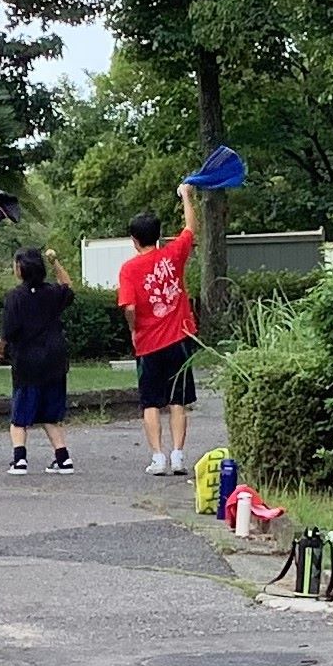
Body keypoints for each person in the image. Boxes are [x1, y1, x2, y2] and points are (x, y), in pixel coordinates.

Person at [118, 183, 200, 476]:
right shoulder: (174, 254)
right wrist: (186, 196)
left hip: (148, 344)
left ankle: (158, 457)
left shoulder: (129, 269)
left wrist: (133, 330)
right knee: (178, 399)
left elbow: (128, 307)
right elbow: (190, 227)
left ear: (134, 239)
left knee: (151, 402)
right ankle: (178, 456)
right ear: (158, 235)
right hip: (179, 338)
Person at [0, 234, 76, 474]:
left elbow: (8, 330)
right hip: (54, 358)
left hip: (27, 361)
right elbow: (67, 287)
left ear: (20, 269)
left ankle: (19, 459)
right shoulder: (52, 293)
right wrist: (56, 263)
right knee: (51, 413)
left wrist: (0, 348)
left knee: (20, 413)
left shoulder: (15, 297)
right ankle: (63, 458)